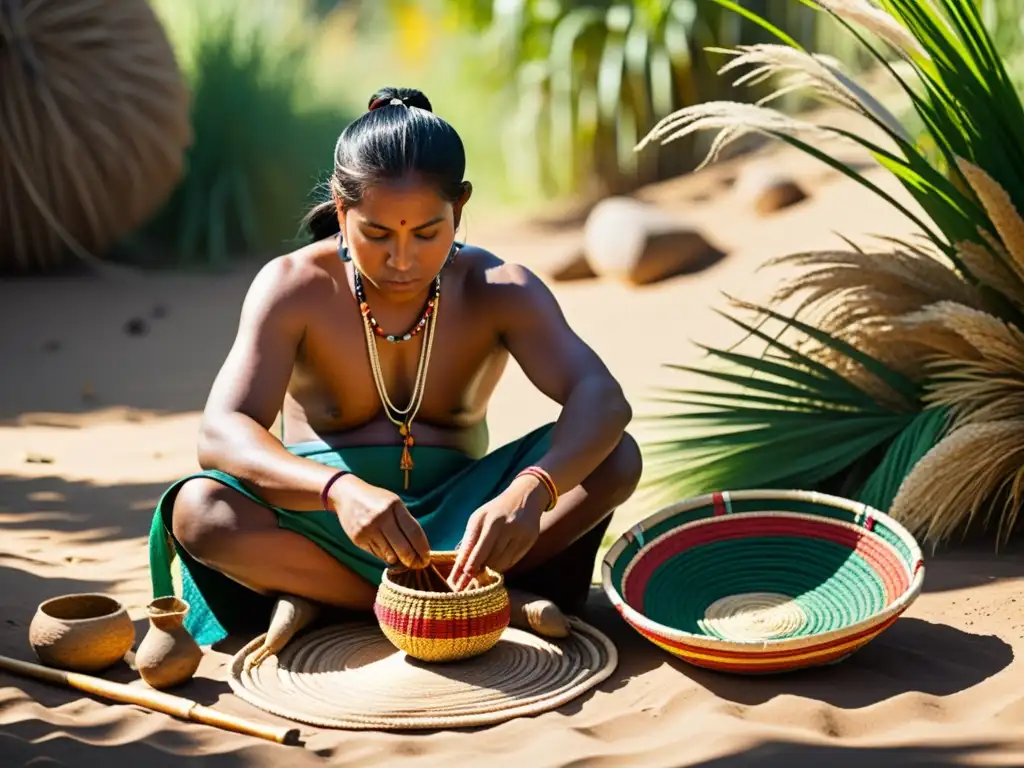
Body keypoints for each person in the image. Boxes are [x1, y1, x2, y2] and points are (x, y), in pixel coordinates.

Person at [148, 87, 641, 653]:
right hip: (328, 527)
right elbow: (221, 431)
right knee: (203, 510)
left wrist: (533, 489)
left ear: (459, 208)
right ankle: (461, 603)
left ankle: (360, 599)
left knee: (616, 456)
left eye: (427, 233)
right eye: (377, 234)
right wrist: (337, 490)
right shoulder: (295, 286)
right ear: (340, 207)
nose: (402, 259)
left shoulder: (499, 288)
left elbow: (602, 398)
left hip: (465, 523)